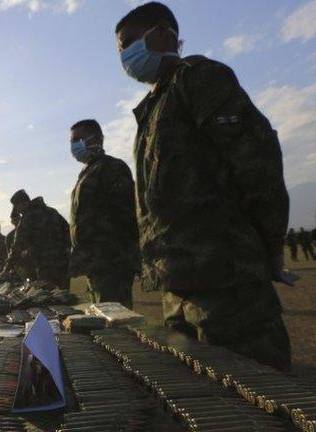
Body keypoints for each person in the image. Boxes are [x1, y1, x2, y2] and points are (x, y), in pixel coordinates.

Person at [115, 2, 292, 371]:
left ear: (163, 34)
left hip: (227, 282)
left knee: (256, 395)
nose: (125, 55)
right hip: (178, 284)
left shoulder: (200, 78)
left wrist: (269, 245)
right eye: (120, 49)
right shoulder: (154, 106)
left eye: (130, 42)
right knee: (201, 396)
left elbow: (257, 165)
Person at [68, 119, 139, 309]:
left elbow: (126, 215)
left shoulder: (112, 168)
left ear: (97, 138)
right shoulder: (87, 172)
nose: (74, 146)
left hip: (112, 261)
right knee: (101, 316)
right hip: (95, 263)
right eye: (72, 142)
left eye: (78, 139)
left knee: (116, 323)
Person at [0, 189, 70, 289]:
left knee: (51, 300)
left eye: (16, 206)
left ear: (23, 203)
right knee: (66, 297)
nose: (17, 210)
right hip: (63, 264)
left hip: (45, 267)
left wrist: (6, 269)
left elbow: (17, 246)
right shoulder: (52, 211)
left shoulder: (28, 218)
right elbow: (68, 231)